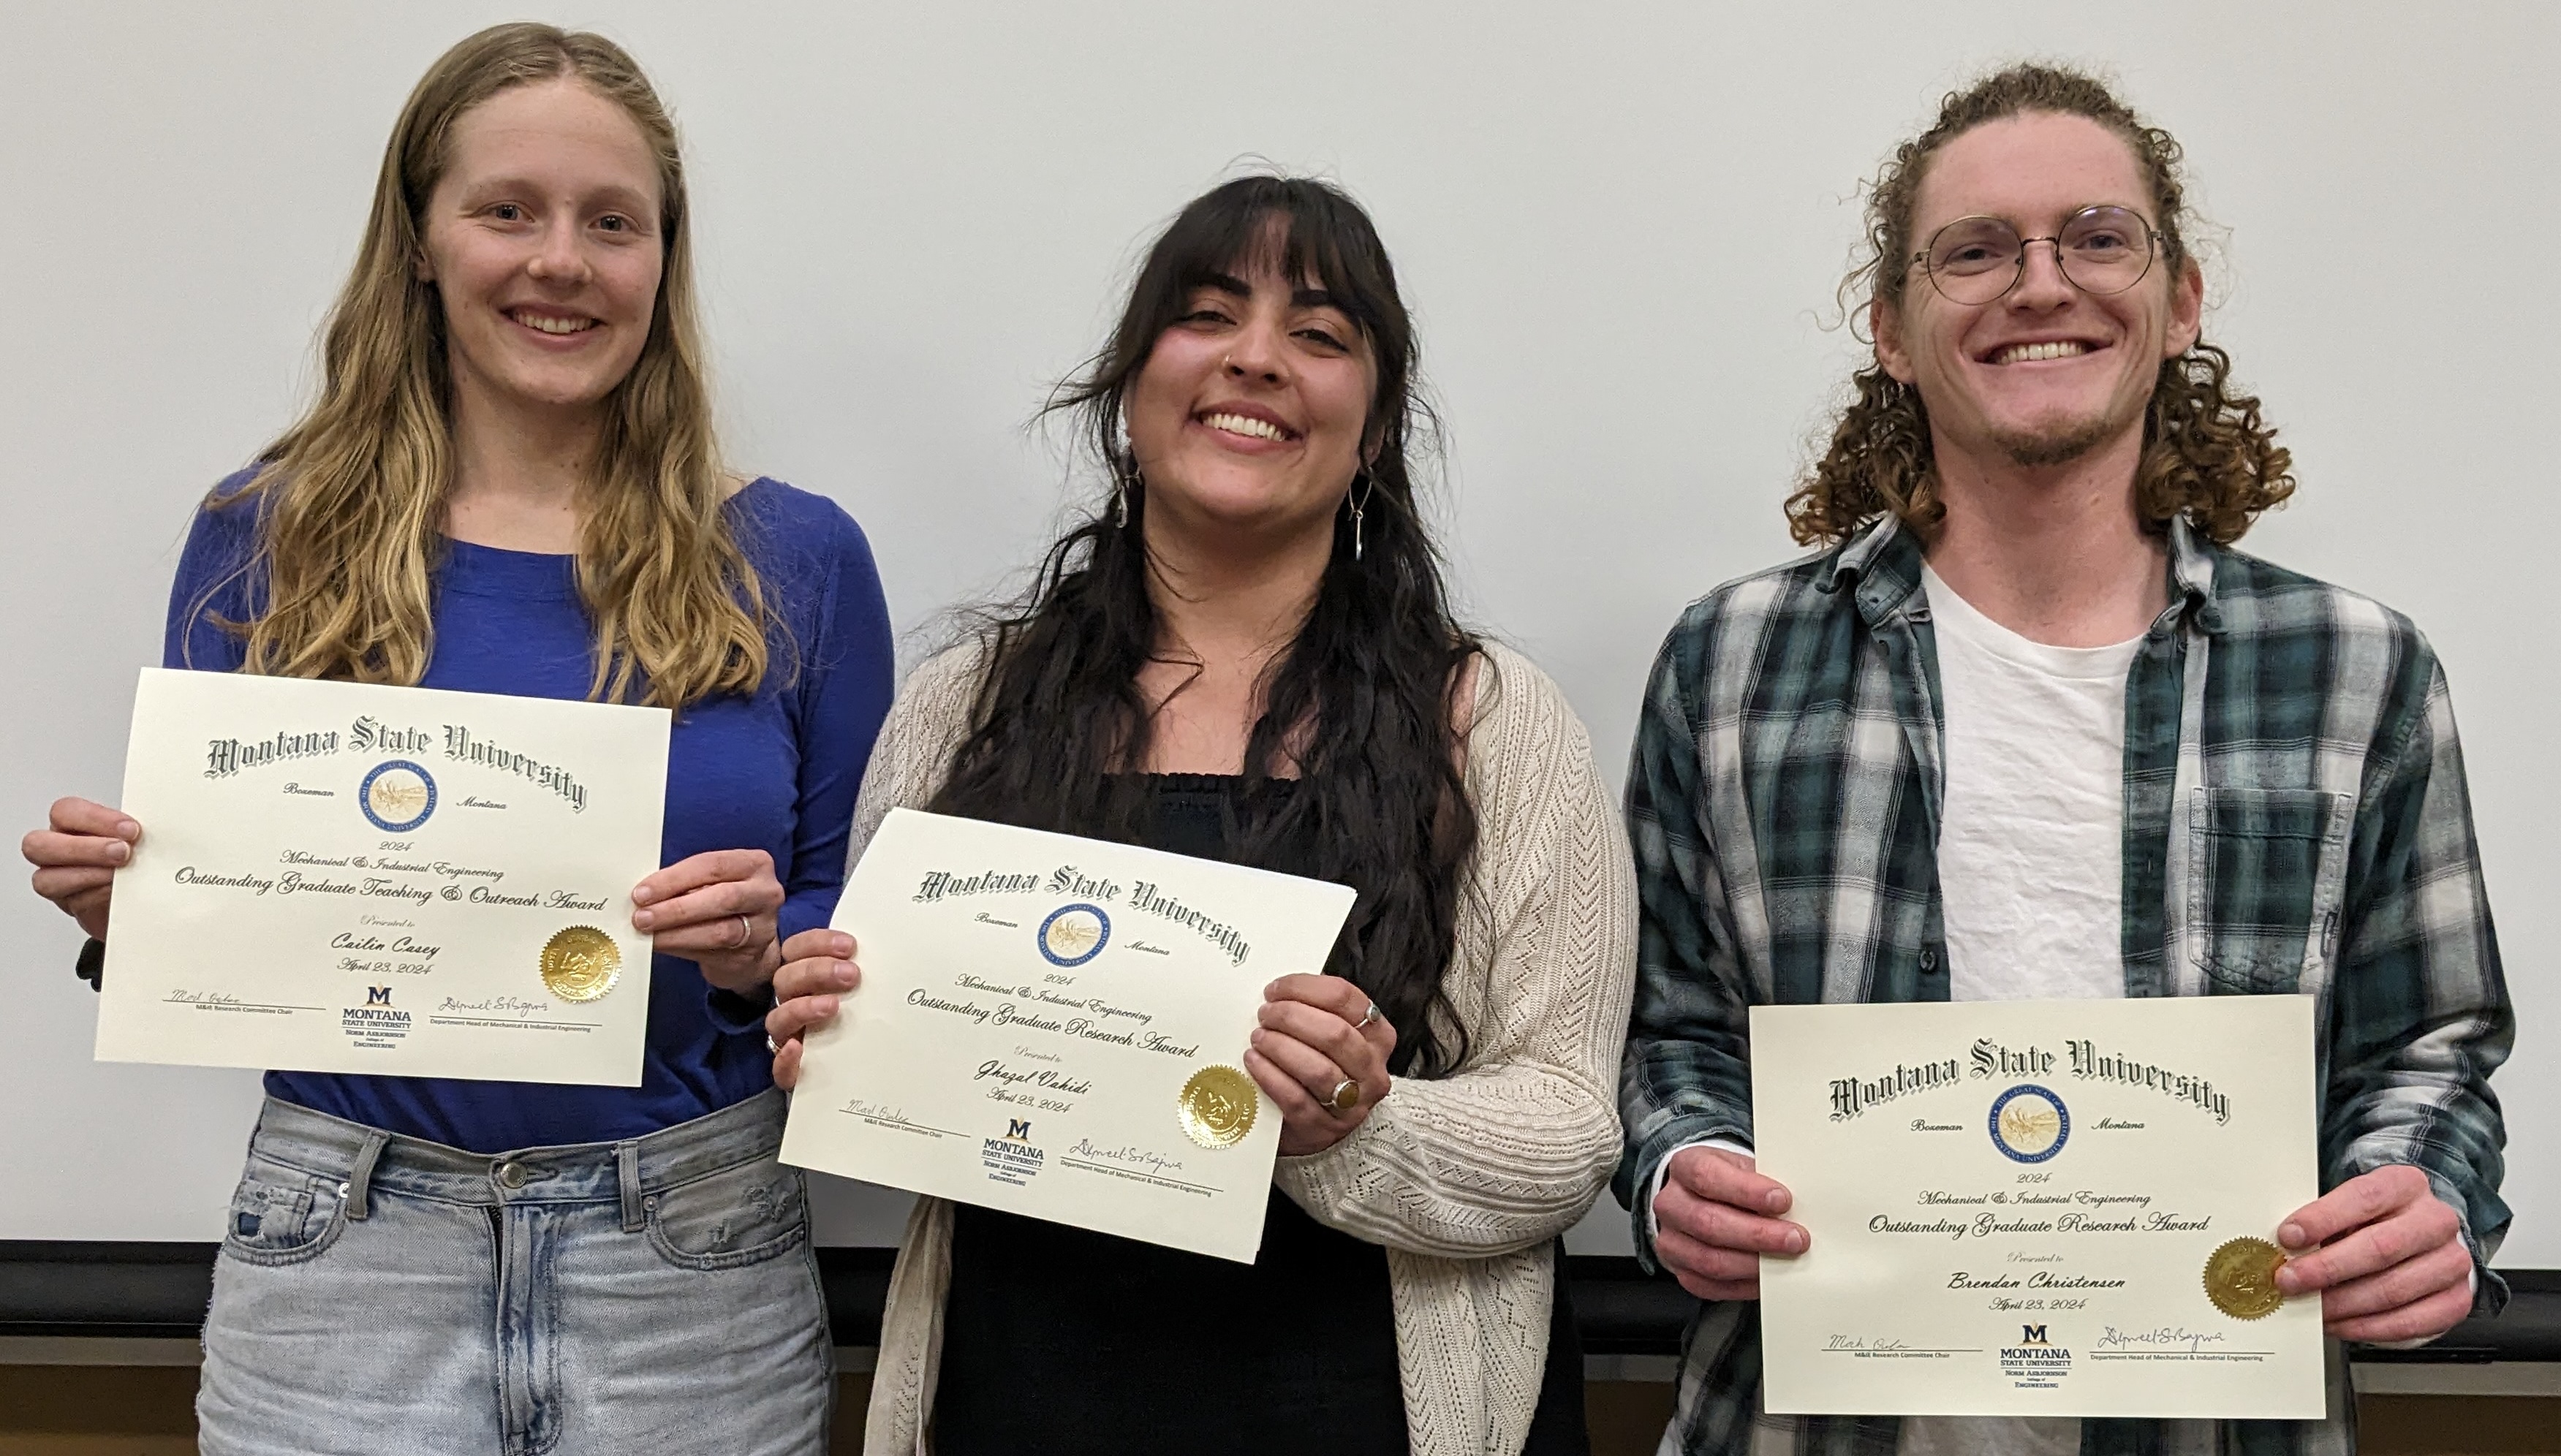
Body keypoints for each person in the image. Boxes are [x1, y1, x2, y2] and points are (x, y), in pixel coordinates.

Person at [19, 24, 892, 1454]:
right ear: (419, 242)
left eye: (613, 223)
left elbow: (851, 928)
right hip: (342, 1258)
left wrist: (764, 956)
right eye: (508, 211)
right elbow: (234, 928)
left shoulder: (794, 557)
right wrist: (143, 911)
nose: (562, 261)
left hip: (691, 1264)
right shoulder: (265, 538)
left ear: (663, 261)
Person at [1615, 64, 2510, 1455]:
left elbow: (2429, 1050)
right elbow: (1671, 1031)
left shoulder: (2356, 671)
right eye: (1975, 251)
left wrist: (2421, 1196)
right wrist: (1678, 1165)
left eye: (2097, 238)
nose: (2041, 286)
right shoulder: (1730, 665)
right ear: (1893, 331)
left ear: (2182, 299)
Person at [760, 175, 1638, 1456]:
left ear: (1377, 426)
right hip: (1023, 1403)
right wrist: (838, 1037)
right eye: (1209, 314)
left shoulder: (1494, 723)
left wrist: (1356, 1125)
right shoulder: (966, 706)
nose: (1257, 358)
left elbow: (1568, 1125)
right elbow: (902, 1115)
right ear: (1131, 389)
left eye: (1321, 334)